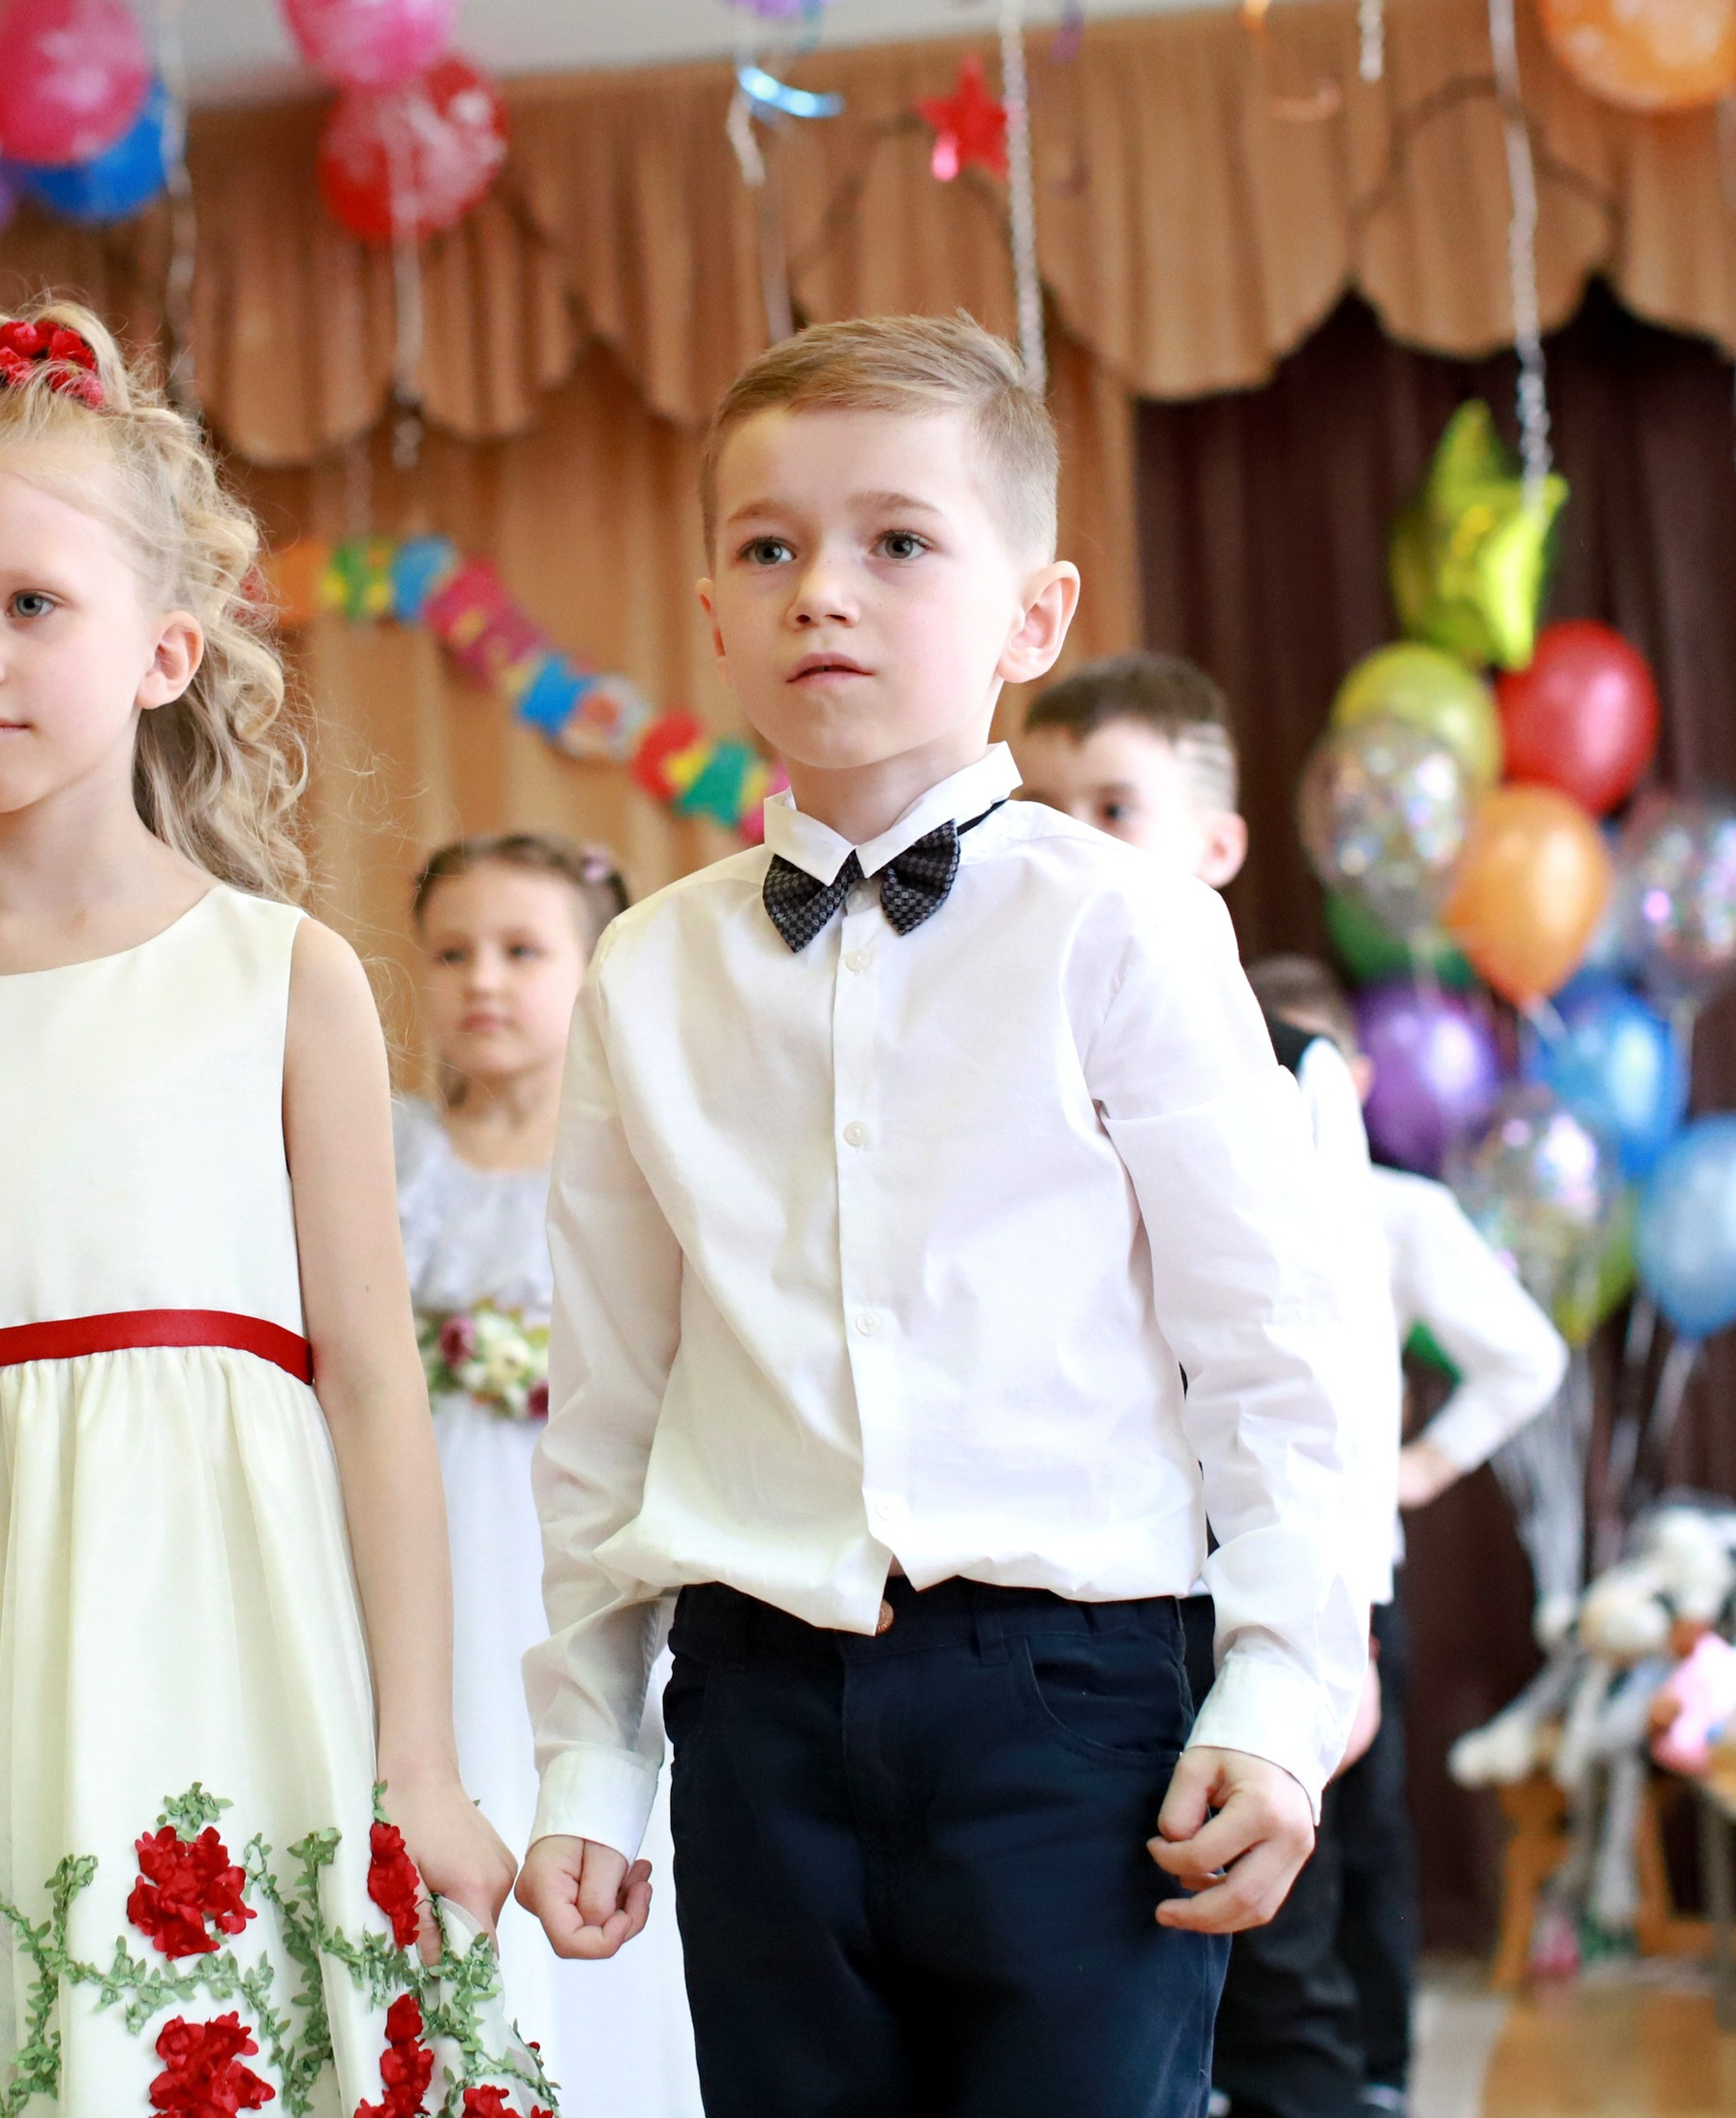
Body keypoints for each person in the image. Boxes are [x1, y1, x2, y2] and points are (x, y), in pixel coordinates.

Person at [0, 304, 547, 2118]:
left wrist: (424, 1764)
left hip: (229, 1656)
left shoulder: (280, 977)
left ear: (165, 648)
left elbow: (375, 1388)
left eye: (29, 606)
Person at [517, 315, 1381, 2118]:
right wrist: (591, 1754)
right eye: (770, 547)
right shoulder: (644, 971)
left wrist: (1283, 1695)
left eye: (899, 541)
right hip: (755, 1710)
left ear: (1032, 617)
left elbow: (1273, 1352)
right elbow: (607, 1398)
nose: (823, 589)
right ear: (713, 611)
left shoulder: (1123, 925)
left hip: (1076, 1701)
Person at [1020, 654, 1400, 2118]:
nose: (1077, 839)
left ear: (1218, 844)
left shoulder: (1289, 1062)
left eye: (1116, 804)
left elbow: (1328, 1359)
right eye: (1047, 807)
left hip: (1260, 1577)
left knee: (1279, 1970)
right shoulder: (1003, 1047)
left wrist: (1333, 1628)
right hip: (1105, 1586)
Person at [400, 832, 703, 2118]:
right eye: (453, 952)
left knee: (577, 1773)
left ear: (596, 967)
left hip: (577, 1521)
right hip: (427, 1524)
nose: (485, 981)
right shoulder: (391, 1151)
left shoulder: (639, 1144)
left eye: (524, 951)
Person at [1248, 953, 1568, 2118]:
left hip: (1352, 1570)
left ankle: (1373, 2070)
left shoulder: (1397, 1211)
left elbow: (1526, 1355)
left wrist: (1421, 1466)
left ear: (1350, 1073)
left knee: (1354, 1830)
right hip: (1223, 1562)